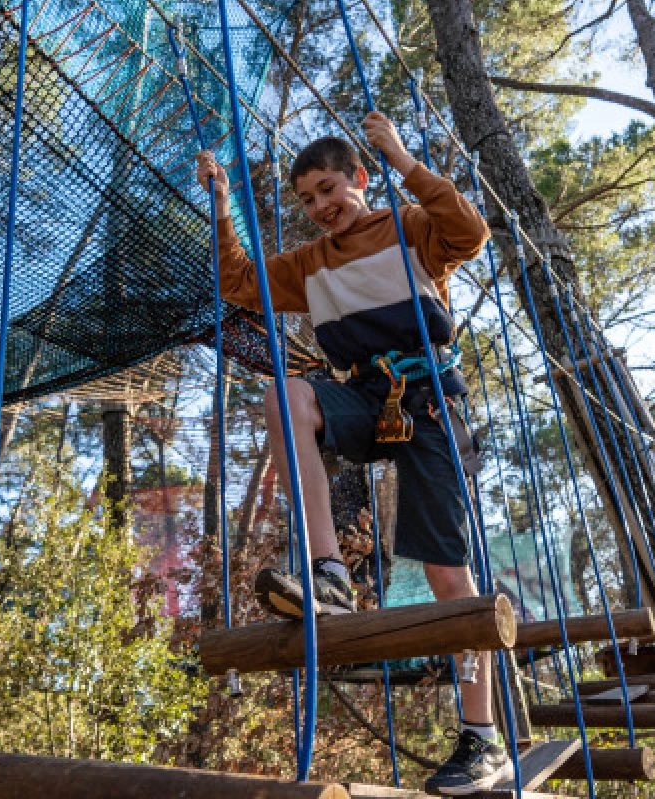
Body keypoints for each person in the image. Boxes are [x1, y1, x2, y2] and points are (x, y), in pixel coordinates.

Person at [196, 112, 510, 795]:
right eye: (307, 200)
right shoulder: (308, 264)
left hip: (428, 400)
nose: (321, 208)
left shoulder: (411, 227)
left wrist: (401, 155)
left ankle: (483, 737)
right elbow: (239, 283)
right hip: (366, 397)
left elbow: (471, 232)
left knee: (448, 580)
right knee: (287, 397)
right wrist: (221, 207)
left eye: (330, 189)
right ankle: (328, 570)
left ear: (359, 179)